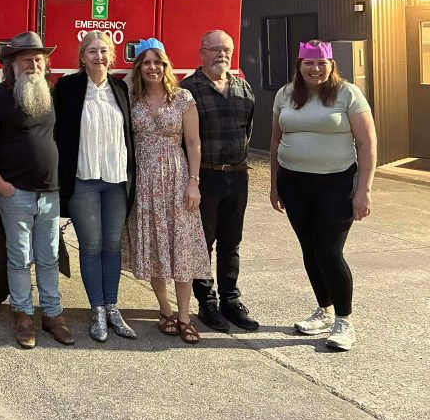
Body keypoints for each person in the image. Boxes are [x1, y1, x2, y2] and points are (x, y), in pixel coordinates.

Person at [270, 40, 376, 352]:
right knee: (310, 250)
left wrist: (363, 190)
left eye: (321, 63)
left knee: (329, 251)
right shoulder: (285, 94)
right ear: (299, 65)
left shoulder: (347, 94)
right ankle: (323, 309)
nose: (315, 69)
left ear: (331, 65)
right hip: (294, 183)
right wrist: (275, 186)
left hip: (336, 185)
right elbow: (276, 140)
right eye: (308, 63)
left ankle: (344, 321)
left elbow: (367, 145)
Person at [0, 31, 74, 349]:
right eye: (26, 59)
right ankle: (22, 314)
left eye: (38, 59)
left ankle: (53, 314)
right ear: (11, 64)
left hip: (50, 191)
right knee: (20, 257)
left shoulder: (50, 92)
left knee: (48, 256)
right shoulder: (0, 96)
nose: (33, 64)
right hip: (15, 192)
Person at [121, 38, 210, 344]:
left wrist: (194, 181)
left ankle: (185, 316)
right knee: (157, 247)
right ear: (139, 67)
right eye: (146, 62)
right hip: (143, 180)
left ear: (166, 66)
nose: (152, 67)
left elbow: (194, 143)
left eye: (158, 62)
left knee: (181, 245)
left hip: (176, 175)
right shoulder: (132, 98)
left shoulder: (182, 98)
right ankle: (165, 310)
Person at [54, 31, 136, 343]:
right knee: (91, 245)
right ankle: (97, 310)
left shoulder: (120, 88)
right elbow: (58, 132)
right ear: (82, 57)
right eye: (92, 51)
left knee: (112, 246)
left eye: (103, 51)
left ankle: (112, 307)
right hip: (83, 179)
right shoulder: (69, 87)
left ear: (111, 56)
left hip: (116, 179)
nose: (98, 56)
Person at [180, 30, 259, 332]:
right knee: (203, 243)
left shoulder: (243, 88)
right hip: (206, 176)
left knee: (232, 241)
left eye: (226, 49)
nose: (221, 55)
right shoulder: (188, 90)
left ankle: (230, 299)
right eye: (214, 49)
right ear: (201, 53)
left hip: (237, 176)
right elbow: (185, 141)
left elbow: (247, 131)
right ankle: (207, 301)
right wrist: (192, 180)